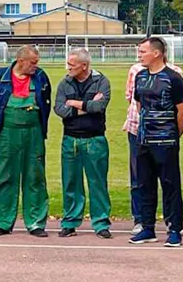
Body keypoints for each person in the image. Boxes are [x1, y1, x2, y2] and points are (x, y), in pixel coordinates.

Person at [129, 37, 183, 248]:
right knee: (144, 184)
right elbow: (139, 105)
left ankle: (174, 229)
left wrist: (172, 134)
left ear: (156, 53)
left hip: (166, 141)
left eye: (143, 51)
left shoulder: (173, 78)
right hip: (143, 140)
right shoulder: (140, 76)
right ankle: (147, 228)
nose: (139, 55)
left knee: (170, 185)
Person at [0, 45, 52, 237]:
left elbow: (46, 104)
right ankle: (2, 222)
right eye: (33, 63)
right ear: (20, 61)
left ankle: (36, 222)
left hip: (34, 132)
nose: (35, 66)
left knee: (35, 176)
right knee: (4, 175)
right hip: (7, 133)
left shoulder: (41, 77)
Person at [53, 48, 113, 239]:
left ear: (84, 65)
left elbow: (100, 106)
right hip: (70, 139)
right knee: (71, 182)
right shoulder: (64, 83)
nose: (68, 68)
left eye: (72, 64)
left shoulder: (101, 81)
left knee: (98, 183)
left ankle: (101, 223)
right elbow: (59, 109)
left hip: (95, 139)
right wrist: (87, 106)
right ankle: (70, 222)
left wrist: (74, 103)